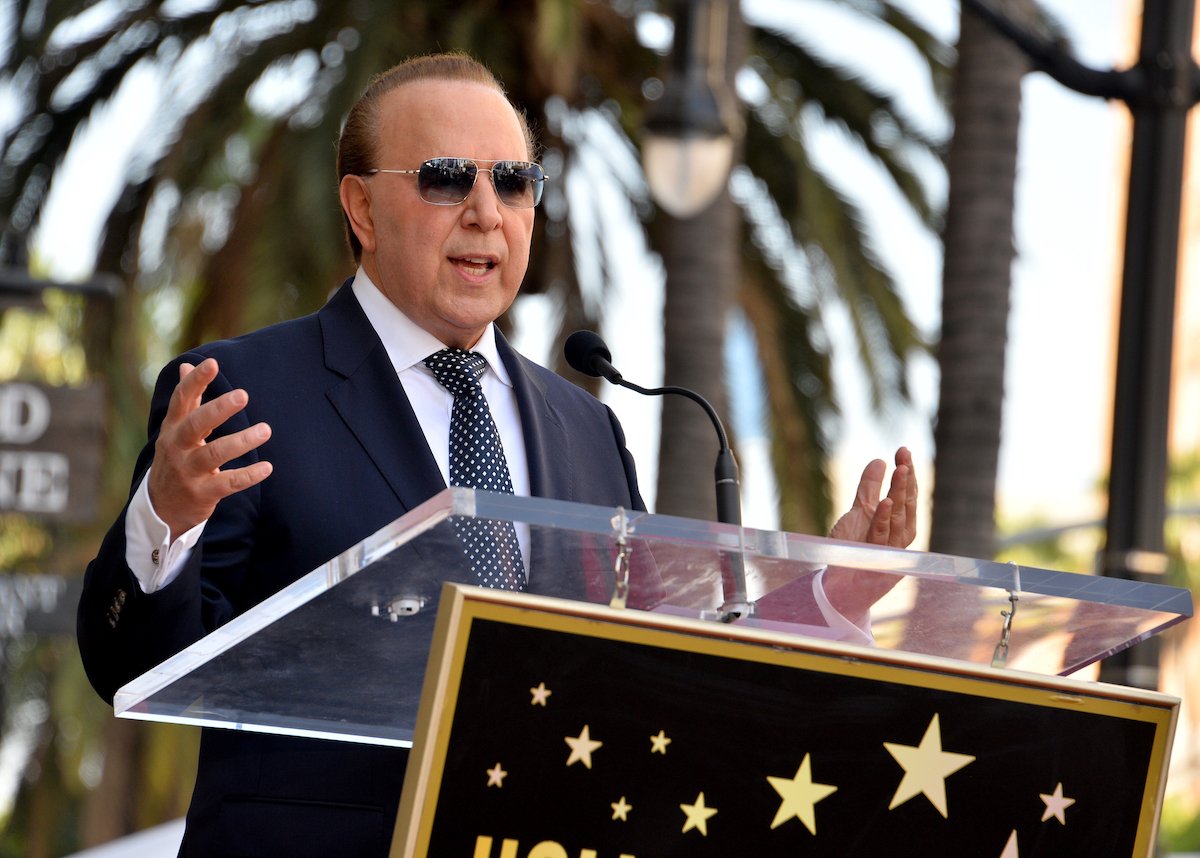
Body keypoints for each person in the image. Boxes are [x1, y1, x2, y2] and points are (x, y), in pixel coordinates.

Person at [77, 53, 916, 858]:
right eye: (447, 178)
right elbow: (136, 670)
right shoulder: (244, 393)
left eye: (513, 182)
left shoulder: (587, 430)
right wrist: (165, 519)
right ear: (362, 209)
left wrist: (828, 597)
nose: (487, 211)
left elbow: (660, 673)